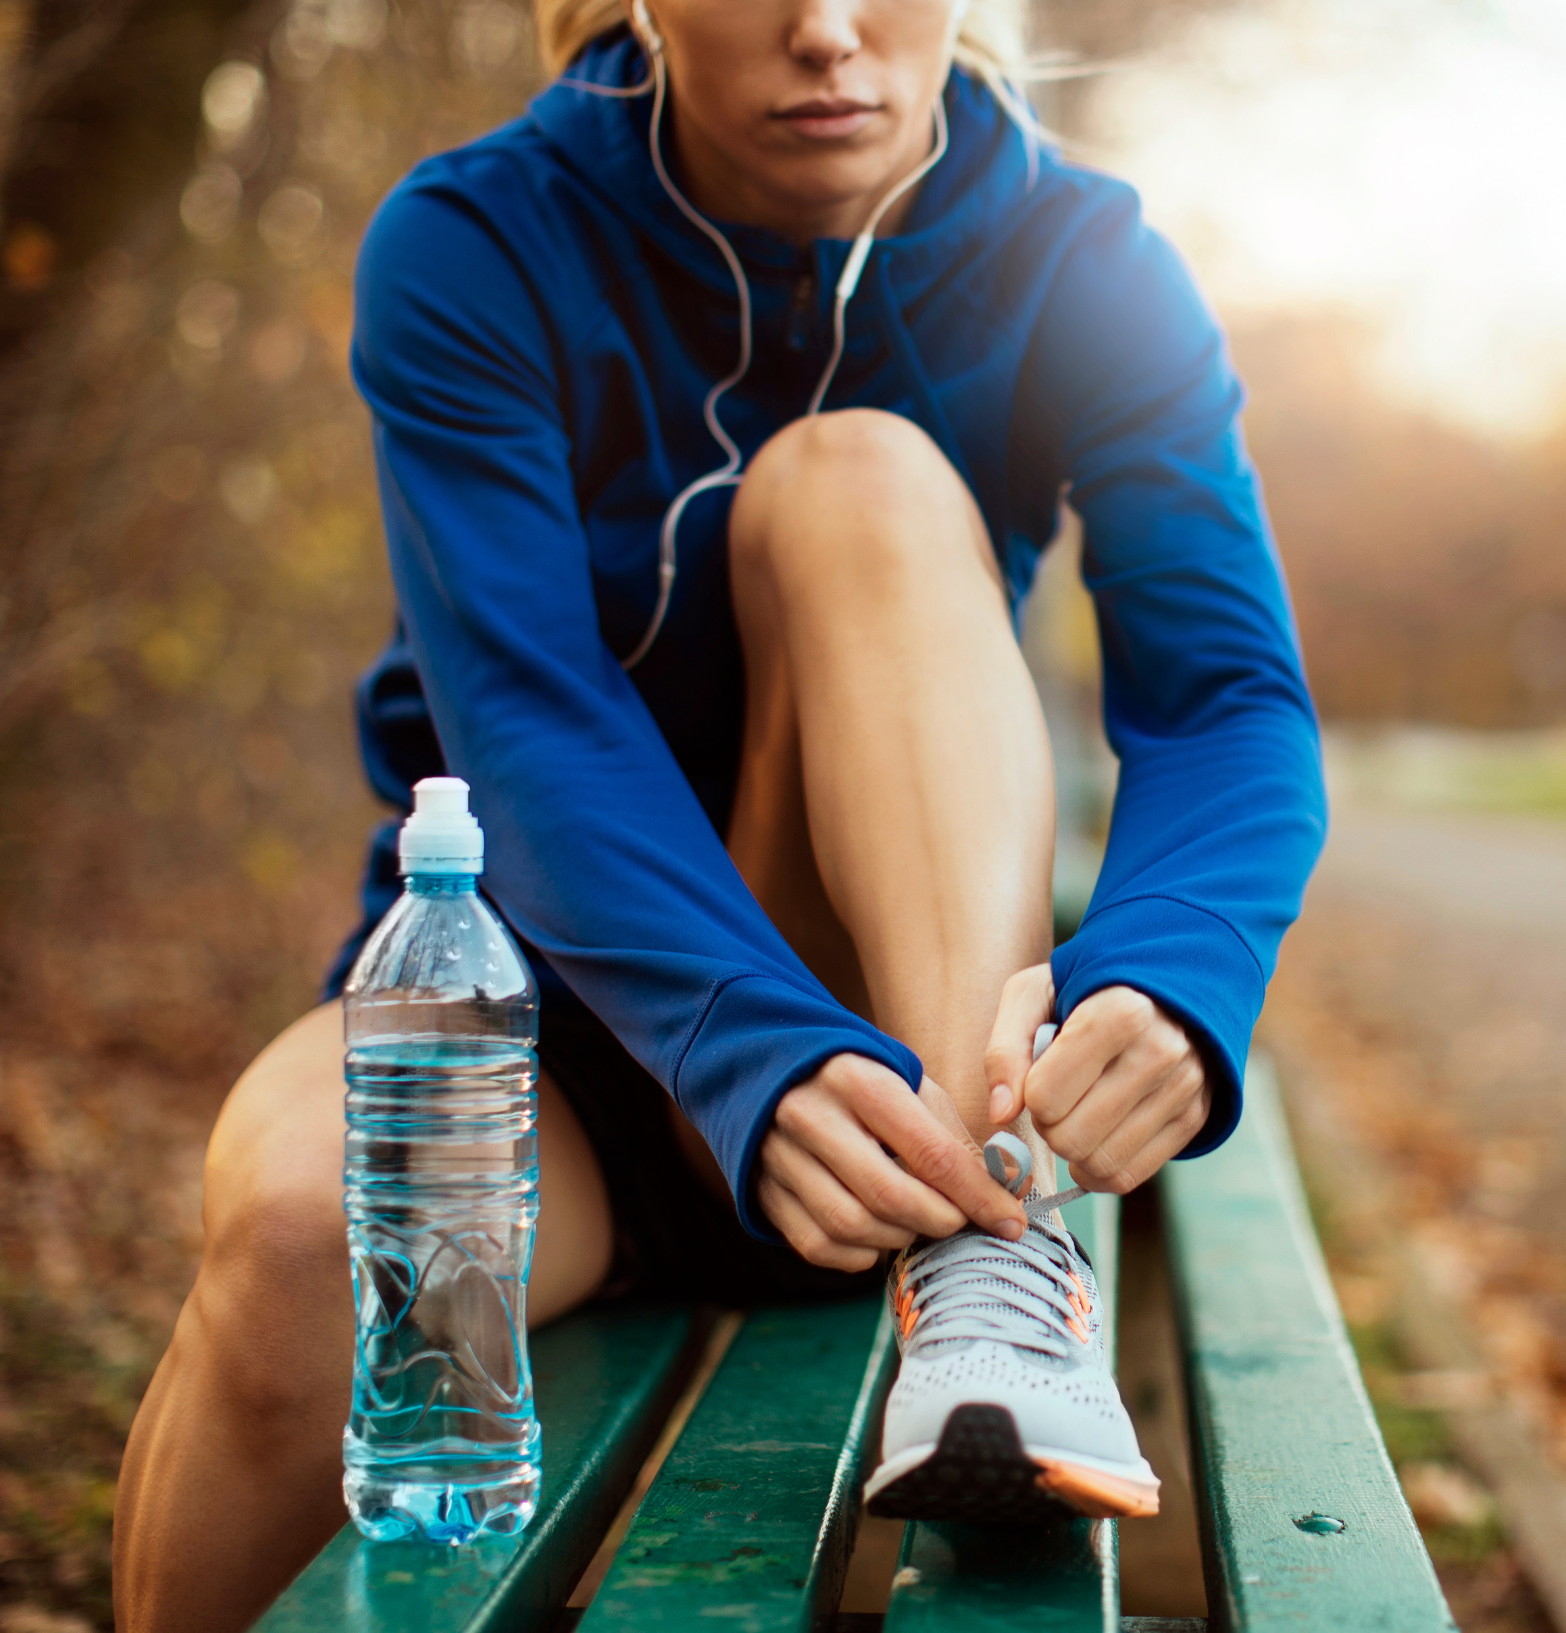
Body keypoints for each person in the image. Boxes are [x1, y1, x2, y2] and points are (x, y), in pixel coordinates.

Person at [111, 0, 1326, 1625]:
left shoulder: (1081, 259)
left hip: (904, 1078)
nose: (826, 30)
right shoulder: (478, 239)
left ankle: (990, 1271)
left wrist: (1180, 970)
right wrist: (744, 1051)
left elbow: (1227, 695)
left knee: (858, 478)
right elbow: (527, 718)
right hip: (558, 1029)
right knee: (293, 1237)